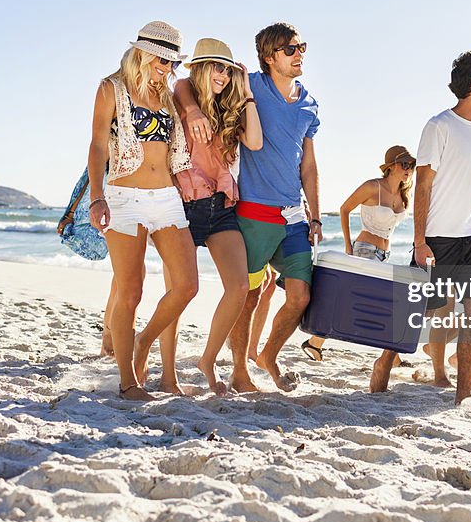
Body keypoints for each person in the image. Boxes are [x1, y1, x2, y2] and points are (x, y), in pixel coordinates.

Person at [184, 22, 321, 392]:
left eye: (301, 47)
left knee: (300, 296)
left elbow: (307, 164)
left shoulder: (309, 103)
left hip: (293, 215)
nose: (299, 55)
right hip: (253, 212)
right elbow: (188, 84)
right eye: (290, 50)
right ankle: (240, 370)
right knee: (248, 295)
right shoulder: (250, 85)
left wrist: (316, 213)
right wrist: (194, 111)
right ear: (269, 57)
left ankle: (269, 356)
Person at [88, 20, 199, 401]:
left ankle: (142, 344)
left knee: (186, 285)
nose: (167, 70)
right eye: (163, 62)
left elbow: (189, 99)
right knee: (130, 292)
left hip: (167, 198)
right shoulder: (112, 89)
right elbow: (99, 146)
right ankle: (127, 383)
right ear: (145, 54)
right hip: (124, 198)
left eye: (172, 64)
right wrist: (96, 196)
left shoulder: (168, 94)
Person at [383, 51, 471, 403]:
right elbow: (423, 185)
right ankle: (383, 362)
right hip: (438, 238)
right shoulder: (439, 126)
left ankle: (464, 395)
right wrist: (420, 240)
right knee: (415, 313)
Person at [150, 38, 262, 396]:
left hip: (221, 208)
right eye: (216, 67)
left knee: (239, 287)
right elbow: (179, 84)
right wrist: (193, 109)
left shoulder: (230, 109)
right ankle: (168, 376)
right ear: (200, 68)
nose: (223, 75)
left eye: (228, 69)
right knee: (179, 293)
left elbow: (256, 142)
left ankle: (207, 361)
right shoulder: (181, 99)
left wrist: (245, 93)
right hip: (182, 207)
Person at [300, 145, 416, 364]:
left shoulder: (403, 194)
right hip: (365, 250)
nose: (409, 169)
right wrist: (348, 245)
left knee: (369, 301)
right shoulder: (373, 187)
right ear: (391, 167)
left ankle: (315, 343)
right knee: (366, 301)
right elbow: (344, 209)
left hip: (384, 255)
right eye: (404, 164)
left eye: (412, 165)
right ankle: (393, 357)